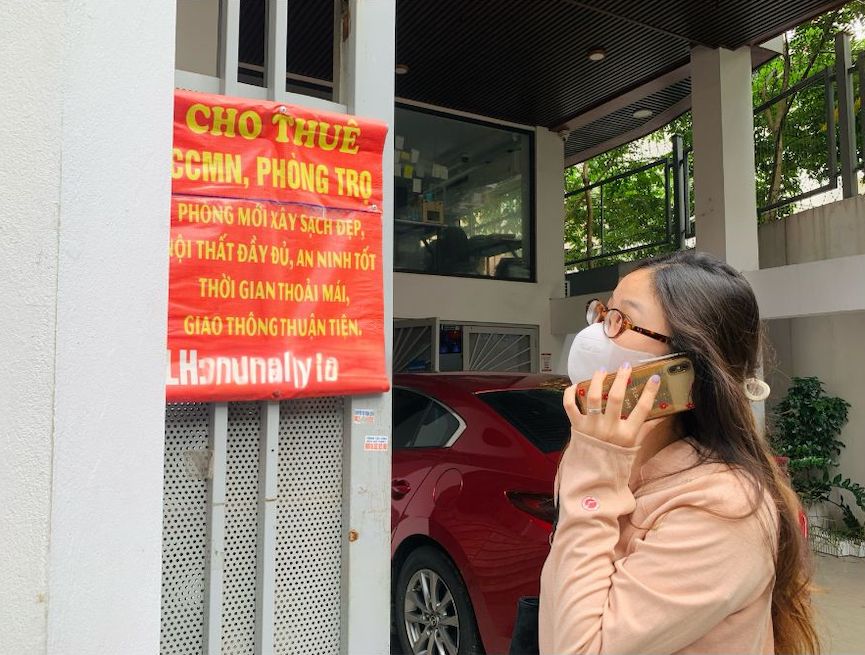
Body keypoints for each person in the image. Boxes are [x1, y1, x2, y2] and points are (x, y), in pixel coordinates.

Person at [539, 250, 818, 654]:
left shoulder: (724, 509)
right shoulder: (614, 462)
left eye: (621, 320)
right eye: (602, 313)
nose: (598, 332)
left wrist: (594, 470)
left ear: (683, 369)